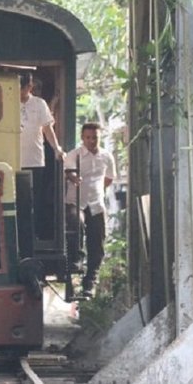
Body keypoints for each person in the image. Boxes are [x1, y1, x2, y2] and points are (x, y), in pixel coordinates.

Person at [64, 122, 116, 298]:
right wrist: (72, 177)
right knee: (75, 223)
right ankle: (76, 262)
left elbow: (109, 178)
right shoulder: (74, 155)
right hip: (75, 202)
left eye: (95, 137)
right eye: (88, 137)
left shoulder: (107, 157)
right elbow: (67, 172)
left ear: (99, 137)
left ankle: (90, 283)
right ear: (82, 137)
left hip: (96, 204)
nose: (91, 141)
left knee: (98, 243)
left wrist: (98, 191)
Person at [19, 72, 65, 238]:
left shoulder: (39, 104)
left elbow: (47, 129)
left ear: (29, 87)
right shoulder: (6, 100)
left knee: (33, 200)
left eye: (22, 88)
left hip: (35, 161)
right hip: (11, 160)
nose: (18, 92)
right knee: (14, 200)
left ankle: (33, 235)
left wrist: (56, 148)